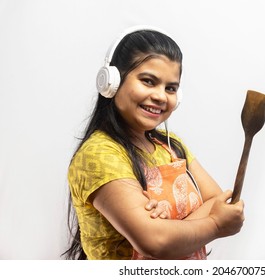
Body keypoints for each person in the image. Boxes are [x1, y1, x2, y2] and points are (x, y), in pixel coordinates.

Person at [63, 25, 245, 260]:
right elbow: (154, 242)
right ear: (112, 82)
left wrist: (170, 229)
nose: (160, 96)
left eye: (171, 88)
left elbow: (216, 200)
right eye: (148, 81)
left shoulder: (171, 146)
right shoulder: (99, 154)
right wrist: (215, 226)